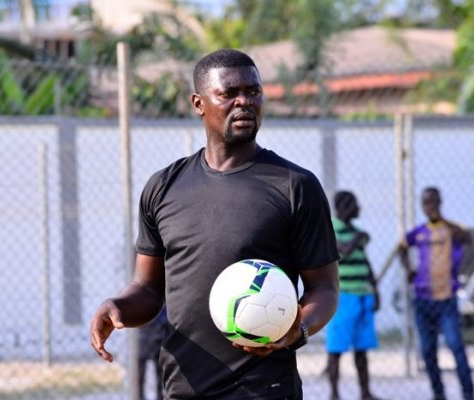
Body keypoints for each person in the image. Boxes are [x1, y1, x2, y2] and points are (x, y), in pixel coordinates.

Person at [90, 48, 340, 399]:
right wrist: (117, 307)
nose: (245, 102)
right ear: (198, 103)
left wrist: (298, 328)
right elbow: (148, 290)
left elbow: (324, 289)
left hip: (264, 389)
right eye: (229, 93)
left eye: (253, 92)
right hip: (184, 387)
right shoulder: (164, 187)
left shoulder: (295, 185)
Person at [399, 187, 474, 400]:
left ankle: (468, 394)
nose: (429, 206)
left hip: (446, 299)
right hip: (423, 299)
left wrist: (441, 218)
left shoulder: (451, 229)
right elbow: (402, 246)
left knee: (456, 348)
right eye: (426, 203)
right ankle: (438, 393)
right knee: (428, 352)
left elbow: (467, 238)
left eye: (433, 202)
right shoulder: (420, 231)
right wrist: (409, 270)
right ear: (422, 206)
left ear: (440, 202)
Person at [326, 191, 383, 400]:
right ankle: (334, 394)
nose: (359, 208)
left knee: (362, 348)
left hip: (362, 295)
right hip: (343, 297)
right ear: (345, 207)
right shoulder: (331, 228)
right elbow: (342, 251)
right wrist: (359, 237)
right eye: (355, 205)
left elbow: (366, 263)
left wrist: (375, 291)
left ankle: (365, 393)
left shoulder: (356, 231)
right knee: (336, 349)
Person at [138, 307, 168, 400]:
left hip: (162, 325)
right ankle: (139, 396)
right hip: (145, 325)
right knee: (140, 363)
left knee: (160, 365)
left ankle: (160, 395)